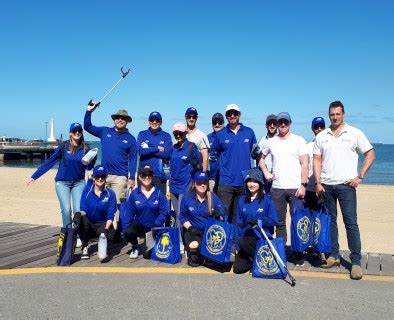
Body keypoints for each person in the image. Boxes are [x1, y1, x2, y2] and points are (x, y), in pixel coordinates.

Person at [313, 101, 375, 280]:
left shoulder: (354, 133)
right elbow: (317, 160)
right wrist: (317, 182)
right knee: (330, 222)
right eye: (332, 114)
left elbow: (370, 154)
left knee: (351, 223)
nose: (334, 117)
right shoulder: (322, 135)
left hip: (347, 186)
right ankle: (334, 255)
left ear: (343, 114)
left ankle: (355, 262)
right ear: (329, 115)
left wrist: (360, 176)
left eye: (337, 114)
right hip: (326, 186)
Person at [258, 112, 308, 265]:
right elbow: (260, 158)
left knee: (297, 221)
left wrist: (303, 185)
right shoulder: (270, 142)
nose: (283, 125)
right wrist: (266, 172)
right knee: (279, 222)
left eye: (285, 122)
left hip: (295, 188)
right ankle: (281, 252)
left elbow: (305, 164)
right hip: (277, 188)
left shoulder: (299, 140)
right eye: (280, 122)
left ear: (290, 123)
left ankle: (298, 253)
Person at [28, 123, 94, 238]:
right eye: (74, 131)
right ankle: (68, 236)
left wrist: (93, 159)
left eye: (79, 130)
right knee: (66, 210)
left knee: (78, 211)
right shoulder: (63, 146)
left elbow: (88, 167)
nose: (77, 132)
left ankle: (79, 235)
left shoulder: (85, 148)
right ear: (70, 133)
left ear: (81, 132)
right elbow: (50, 162)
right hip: (62, 183)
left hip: (79, 183)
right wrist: (35, 176)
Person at [212, 103, 257, 224]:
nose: (232, 115)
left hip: (243, 182)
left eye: (235, 113)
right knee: (222, 214)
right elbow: (214, 157)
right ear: (226, 116)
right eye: (229, 114)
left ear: (239, 115)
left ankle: (235, 242)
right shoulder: (220, 134)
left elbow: (255, 156)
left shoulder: (249, 132)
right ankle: (222, 240)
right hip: (225, 182)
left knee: (239, 215)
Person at [84, 102, 137, 204]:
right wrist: (89, 111)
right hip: (103, 176)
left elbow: (133, 159)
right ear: (114, 119)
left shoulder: (131, 139)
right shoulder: (104, 131)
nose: (120, 120)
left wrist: (132, 178)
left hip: (120, 178)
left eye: (123, 118)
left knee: (117, 207)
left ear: (127, 121)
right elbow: (87, 126)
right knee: (102, 205)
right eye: (117, 117)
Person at [233, 168, 278, 274]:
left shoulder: (267, 201)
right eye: (249, 181)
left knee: (244, 242)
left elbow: (274, 221)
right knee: (238, 269)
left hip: (261, 238)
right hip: (245, 241)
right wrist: (237, 247)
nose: (251, 184)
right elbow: (238, 224)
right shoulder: (242, 200)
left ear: (260, 183)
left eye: (255, 182)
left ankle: (259, 261)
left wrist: (260, 220)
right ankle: (251, 259)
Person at [179, 171, 225, 267]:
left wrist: (219, 215)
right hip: (193, 232)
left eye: (204, 182)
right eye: (199, 183)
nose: (202, 185)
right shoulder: (187, 198)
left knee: (210, 262)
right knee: (194, 245)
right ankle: (193, 255)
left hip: (209, 232)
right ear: (194, 183)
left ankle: (207, 255)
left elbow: (222, 213)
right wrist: (191, 228)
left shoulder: (213, 197)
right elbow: (182, 217)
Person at [123, 166, 169, 259]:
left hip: (154, 227)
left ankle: (152, 242)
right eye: (144, 175)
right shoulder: (135, 194)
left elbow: (164, 212)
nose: (147, 177)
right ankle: (135, 247)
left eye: (149, 175)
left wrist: (156, 224)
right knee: (128, 231)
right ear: (139, 177)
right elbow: (129, 213)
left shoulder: (159, 193)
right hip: (140, 226)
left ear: (152, 177)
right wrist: (125, 231)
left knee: (147, 255)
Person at [75, 165, 118, 260]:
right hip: (90, 223)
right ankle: (85, 246)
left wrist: (106, 229)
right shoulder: (87, 191)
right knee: (82, 220)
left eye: (103, 176)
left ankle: (102, 242)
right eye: (97, 176)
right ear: (93, 178)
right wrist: (78, 214)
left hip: (103, 224)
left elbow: (110, 215)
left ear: (106, 177)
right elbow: (84, 210)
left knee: (110, 236)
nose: (100, 179)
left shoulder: (111, 194)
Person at [169, 122, 202, 227]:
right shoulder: (173, 147)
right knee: (177, 214)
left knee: (181, 215)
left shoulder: (191, 147)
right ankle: (179, 239)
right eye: (175, 133)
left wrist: (195, 165)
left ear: (185, 133)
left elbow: (199, 166)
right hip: (173, 186)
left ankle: (181, 241)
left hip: (185, 186)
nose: (178, 135)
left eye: (180, 133)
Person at [137, 111, 172, 193]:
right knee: (142, 202)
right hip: (144, 174)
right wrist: (156, 148)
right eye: (152, 120)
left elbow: (166, 154)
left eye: (157, 120)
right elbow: (141, 151)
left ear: (161, 122)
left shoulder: (166, 136)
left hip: (160, 176)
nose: (154, 122)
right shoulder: (142, 134)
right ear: (148, 122)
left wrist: (148, 149)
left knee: (159, 203)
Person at [304, 116, 325, 211]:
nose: (319, 129)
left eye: (322, 126)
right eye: (316, 126)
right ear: (312, 129)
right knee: (309, 215)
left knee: (324, 216)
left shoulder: (329, 145)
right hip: (309, 187)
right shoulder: (308, 146)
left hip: (325, 187)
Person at [255, 114, 278, 194]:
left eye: (274, 123)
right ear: (266, 125)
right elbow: (255, 156)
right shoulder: (261, 140)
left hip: (277, 176)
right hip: (262, 175)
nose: (272, 126)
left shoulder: (281, 140)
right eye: (269, 123)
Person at [185, 107, 210, 172]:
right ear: (185, 117)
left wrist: (204, 173)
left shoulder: (202, 135)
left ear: (196, 118)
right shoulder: (180, 134)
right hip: (184, 173)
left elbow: (205, 156)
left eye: (193, 117)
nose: (191, 119)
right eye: (189, 117)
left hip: (197, 171)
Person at [207, 112, 225, 193]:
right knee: (211, 203)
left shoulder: (228, 136)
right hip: (212, 178)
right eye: (215, 122)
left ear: (223, 124)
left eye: (220, 122)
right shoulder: (208, 138)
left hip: (226, 179)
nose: (217, 124)